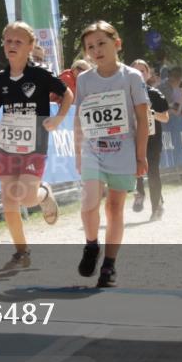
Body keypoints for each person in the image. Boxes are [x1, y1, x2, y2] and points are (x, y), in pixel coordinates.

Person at [0, 21, 72, 269]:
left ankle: (44, 193)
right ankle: (21, 251)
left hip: (35, 142)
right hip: (9, 143)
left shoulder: (40, 74)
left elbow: (67, 94)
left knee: (27, 198)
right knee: (8, 202)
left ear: (30, 46)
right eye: (8, 41)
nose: (12, 45)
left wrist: (59, 117)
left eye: (18, 41)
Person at [74, 21, 149, 288]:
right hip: (93, 150)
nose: (96, 50)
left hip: (123, 151)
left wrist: (141, 156)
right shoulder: (84, 80)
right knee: (89, 200)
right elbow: (78, 118)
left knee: (114, 207)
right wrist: (78, 152)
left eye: (101, 44)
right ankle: (91, 245)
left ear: (116, 44)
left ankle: (109, 265)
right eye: (90, 47)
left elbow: (142, 118)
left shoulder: (131, 77)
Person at [130, 60, 170, 220]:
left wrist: (150, 113)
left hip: (152, 140)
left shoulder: (154, 94)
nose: (139, 74)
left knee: (153, 172)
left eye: (142, 71)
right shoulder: (124, 93)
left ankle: (156, 207)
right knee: (134, 170)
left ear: (148, 75)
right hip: (131, 138)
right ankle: (139, 193)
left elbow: (165, 118)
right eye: (135, 71)